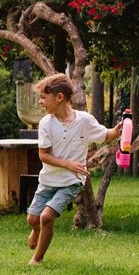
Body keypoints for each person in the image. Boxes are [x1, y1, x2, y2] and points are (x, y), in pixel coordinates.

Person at [26, 73, 120, 265]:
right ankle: (35, 231)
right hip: (48, 180)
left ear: (59, 97)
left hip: (72, 181)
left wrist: (118, 130)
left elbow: (106, 135)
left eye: (44, 98)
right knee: (33, 220)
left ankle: (37, 259)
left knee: (46, 217)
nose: (41, 103)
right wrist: (67, 164)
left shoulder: (84, 121)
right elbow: (43, 155)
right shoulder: (46, 123)